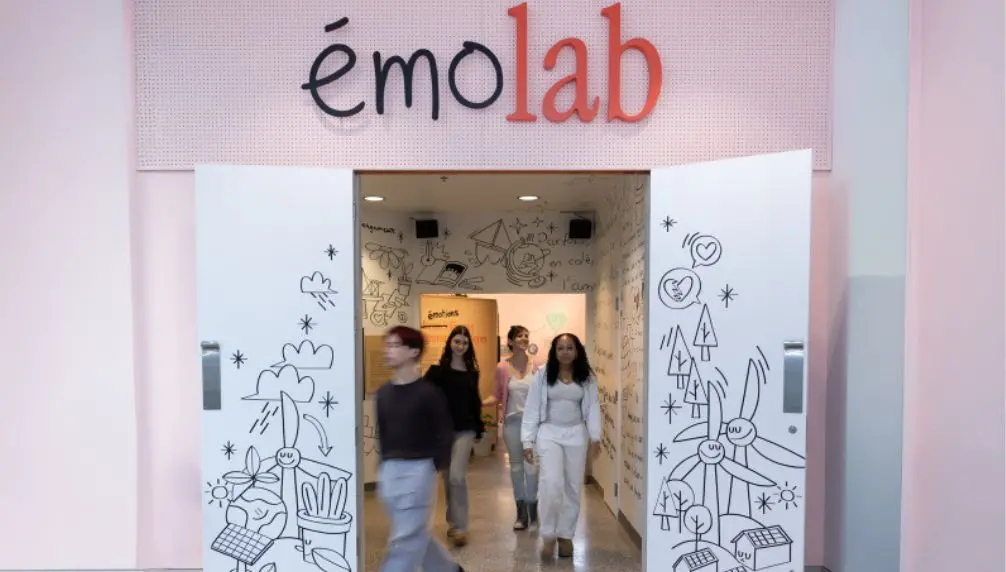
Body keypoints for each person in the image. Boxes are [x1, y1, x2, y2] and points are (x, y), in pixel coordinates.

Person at [374, 326, 465, 572]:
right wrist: (384, 467)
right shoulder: (383, 393)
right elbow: (384, 434)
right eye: (388, 345)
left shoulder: (428, 393)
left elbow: (444, 433)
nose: (388, 350)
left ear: (413, 352)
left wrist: (432, 466)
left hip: (418, 471)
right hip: (391, 472)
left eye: (395, 345)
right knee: (413, 532)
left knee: (405, 539)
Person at [521, 333, 601, 559]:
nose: (565, 352)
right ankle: (548, 536)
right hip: (549, 434)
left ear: (577, 351)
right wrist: (527, 441)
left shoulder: (587, 377)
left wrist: (595, 437)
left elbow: (593, 407)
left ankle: (566, 535)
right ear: (554, 352)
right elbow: (532, 408)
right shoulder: (543, 374)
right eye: (560, 348)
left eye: (570, 348)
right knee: (551, 483)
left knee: (573, 486)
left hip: (576, 435)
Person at [423, 325, 485, 547]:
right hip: (443, 431)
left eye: (465, 343)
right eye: (457, 341)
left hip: (465, 429)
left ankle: (461, 527)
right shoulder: (436, 372)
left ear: (469, 346)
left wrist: (479, 428)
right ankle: (453, 521)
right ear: (450, 342)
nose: (460, 346)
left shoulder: (472, 373)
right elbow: (424, 398)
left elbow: (475, 402)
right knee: (448, 478)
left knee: (457, 476)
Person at [483, 324, 540, 531]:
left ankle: (533, 511)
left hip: (533, 425)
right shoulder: (502, 367)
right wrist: (476, 403)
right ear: (510, 341)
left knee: (531, 468)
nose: (524, 338)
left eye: (526, 335)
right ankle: (521, 514)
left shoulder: (537, 366)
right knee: (516, 469)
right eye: (519, 336)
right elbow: (497, 395)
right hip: (512, 424)